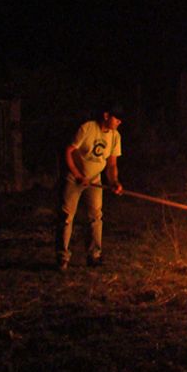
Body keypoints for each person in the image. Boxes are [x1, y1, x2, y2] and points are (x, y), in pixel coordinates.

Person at [55, 104, 125, 271]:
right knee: (66, 216)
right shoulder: (87, 128)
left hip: (95, 179)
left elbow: (112, 163)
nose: (119, 122)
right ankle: (62, 257)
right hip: (74, 178)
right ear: (106, 115)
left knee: (95, 216)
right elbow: (68, 151)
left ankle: (94, 255)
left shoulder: (115, 136)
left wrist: (114, 181)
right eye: (117, 118)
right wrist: (78, 175)